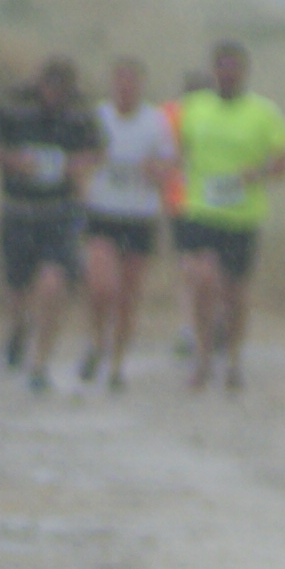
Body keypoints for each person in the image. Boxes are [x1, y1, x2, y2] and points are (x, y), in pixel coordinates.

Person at [0, 56, 98, 392]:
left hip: (59, 213)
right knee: (17, 290)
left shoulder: (80, 113)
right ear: (39, 84)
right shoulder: (12, 105)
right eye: (50, 87)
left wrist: (77, 165)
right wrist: (11, 160)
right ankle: (18, 328)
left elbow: (98, 149)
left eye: (62, 89)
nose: (55, 95)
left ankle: (40, 362)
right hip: (18, 211)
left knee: (53, 283)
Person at [173, 42, 285, 393]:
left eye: (233, 69)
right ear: (213, 71)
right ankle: (203, 357)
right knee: (202, 280)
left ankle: (234, 359)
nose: (227, 75)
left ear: (244, 72)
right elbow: (175, 150)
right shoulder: (194, 107)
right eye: (221, 68)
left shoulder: (263, 113)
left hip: (242, 217)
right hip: (201, 210)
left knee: (235, 293)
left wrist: (259, 173)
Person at [79, 54, 178, 391]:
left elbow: (170, 165)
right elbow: (80, 157)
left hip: (139, 215)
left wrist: (155, 171)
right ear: (112, 85)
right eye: (119, 82)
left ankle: (118, 364)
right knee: (100, 286)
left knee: (128, 297)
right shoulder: (98, 117)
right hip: (102, 211)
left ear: (140, 86)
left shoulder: (155, 122)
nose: (125, 88)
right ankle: (96, 341)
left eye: (131, 83)